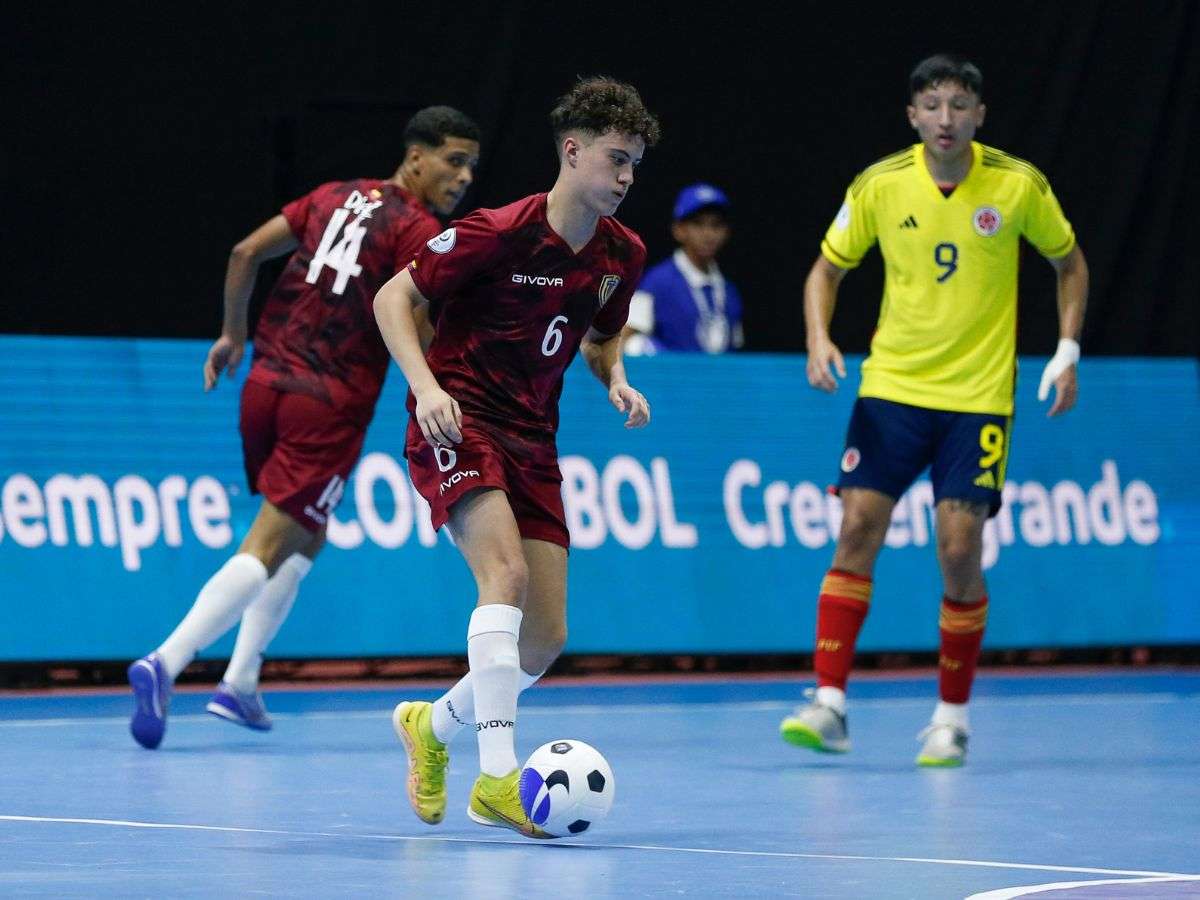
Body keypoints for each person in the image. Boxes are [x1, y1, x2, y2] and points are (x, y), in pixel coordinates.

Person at [126, 106, 482, 750]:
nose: (463, 177)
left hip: (265, 382)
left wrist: (232, 334)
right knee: (266, 544)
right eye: (454, 161)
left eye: (472, 167)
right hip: (329, 400)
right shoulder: (419, 231)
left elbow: (244, 254)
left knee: (307, 533)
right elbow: (421, 325)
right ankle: (165, 663)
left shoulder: (331, 196)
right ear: (416, 156)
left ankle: (240, 682)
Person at [779, 54, 1088, 766]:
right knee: (857, 527)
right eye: (932, 106)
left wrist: (1067, 349)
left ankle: (951, 717)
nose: (945, 119)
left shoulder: (1017, 185)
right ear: (913, 116)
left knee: (958, 550)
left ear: (979, 115)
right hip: (892, 387)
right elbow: (826, 270)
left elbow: (1069, 263)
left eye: (959, 105)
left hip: (978, 399)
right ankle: (829, 704)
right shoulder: (881, 184)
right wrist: (818, 337)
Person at [373, 77, 659, 838]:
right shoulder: (498, 231)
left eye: (635, 163)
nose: (627, 177)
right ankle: (498, 779)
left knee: (546, 637)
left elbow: (600, 340)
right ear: (573, 152)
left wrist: (618, 379)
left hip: (534, 435)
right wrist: (425, 385)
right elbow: (391, 301)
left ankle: (432, 727)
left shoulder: (620, 254)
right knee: (505, 576)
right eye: (616, 159)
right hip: (457, 418)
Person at [622, 183, 744, 354]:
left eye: (716, 225)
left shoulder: (729, 292)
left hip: (716, 379)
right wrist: (656, 356)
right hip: (669, 379)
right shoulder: (656, 282)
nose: (708, 234)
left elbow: (734, 351)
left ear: (726, 232)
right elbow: (624, 341)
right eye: (698, 224)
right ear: (678, 229)